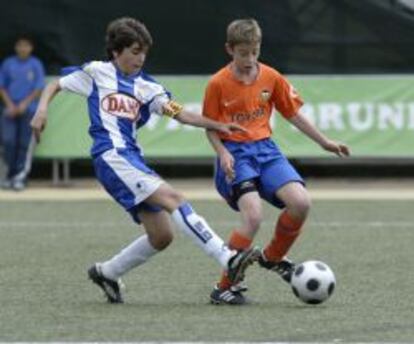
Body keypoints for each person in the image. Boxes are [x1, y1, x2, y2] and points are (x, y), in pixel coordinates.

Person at [31, 17, 260, 304]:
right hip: (112, 156)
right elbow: (56, 84)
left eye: (144, 53)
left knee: (162, 235)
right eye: (134, 51)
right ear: (116, 52)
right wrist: (41, 111)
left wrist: (216, 124)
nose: (140, 59)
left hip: (132, 159)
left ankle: (107, 272)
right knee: (174, 198)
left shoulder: (147, 87)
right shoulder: (96, 72)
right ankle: (227, 258)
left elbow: (180, 113)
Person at [203, 18, 350, 305]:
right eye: (243, 53)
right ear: (229, 50)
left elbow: (292, 113)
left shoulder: (271, 77)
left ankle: (272, 257)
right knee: (253, 216)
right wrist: (222, 153)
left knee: (301, 203)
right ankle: (224, 286)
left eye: (254, 52)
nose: (249, 59)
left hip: (267, 151)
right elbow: (210, 126)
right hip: (236, 154)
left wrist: (324, 142)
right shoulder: (218, 83)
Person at [0, 35, 45, 190]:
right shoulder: (8, 63)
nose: (23, 48)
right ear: (16, 47)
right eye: (20, 45)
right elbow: (2, 86)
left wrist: (24, 104)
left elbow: (39, 88)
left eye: (26, 46)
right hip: (9, 110)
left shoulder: (36, 64)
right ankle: (9, 175)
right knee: (8, 141)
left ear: (31, 48)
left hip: (29, 110)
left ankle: (21, 176)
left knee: (25, 144)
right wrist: (11, 105)